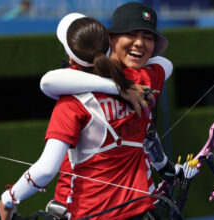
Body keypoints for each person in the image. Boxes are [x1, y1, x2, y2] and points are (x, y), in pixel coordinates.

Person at [0, 12, 165, 220]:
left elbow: (46, 170)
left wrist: (7, 199)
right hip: (142, 212)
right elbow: (165, 64)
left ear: (71, 57)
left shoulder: (71, 103)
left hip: (90, 213)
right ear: (109, 46)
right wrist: (120, 87)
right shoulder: (143, 82)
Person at [39, 2, 175, 217]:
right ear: (111, 39)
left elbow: (48, 81)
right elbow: (48, 81)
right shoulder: (138, 80)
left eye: (148, 37)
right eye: (131, 34)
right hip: (86, 208)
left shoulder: (142, 78)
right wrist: (121, 88)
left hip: (112, 210)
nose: (139, 43)